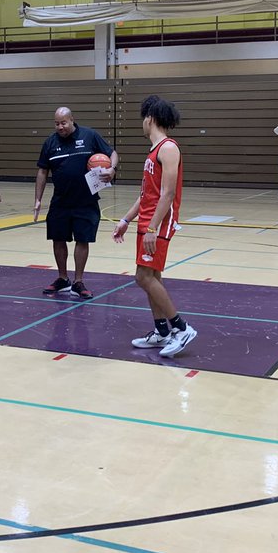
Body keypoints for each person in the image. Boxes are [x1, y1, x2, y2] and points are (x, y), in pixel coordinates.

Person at [112, 95, 196, 359]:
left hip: (158, 224)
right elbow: (146, 194)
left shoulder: (168, 148)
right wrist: (126, 220)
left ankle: (182, 328)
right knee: (152, 278)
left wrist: (152, 229)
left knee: (143, 277)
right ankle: (161, 331)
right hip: (147, 221)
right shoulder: (154, 150)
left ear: (150, 118)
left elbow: (168, 194)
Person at [34, 107, 118, 300]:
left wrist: (112, 168)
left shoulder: (89, 136)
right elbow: (42, 171)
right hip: (60, 200)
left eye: (63, 123)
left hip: (86, 200)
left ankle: (78, 282)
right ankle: (63, 278)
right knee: (58, 239)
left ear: (72, 120)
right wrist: (38, 199)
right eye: (56, 124)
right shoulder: (50, 143)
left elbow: (112, 153)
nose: (60, 127)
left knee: (82, 239)